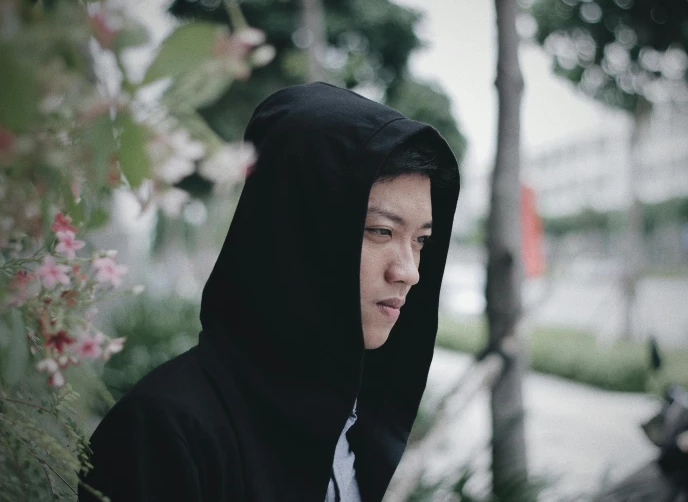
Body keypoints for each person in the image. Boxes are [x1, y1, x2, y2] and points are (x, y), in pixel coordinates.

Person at [79, 82, 460, 501]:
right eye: (380, 231)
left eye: (420, 240)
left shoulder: (351, 429)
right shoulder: (162, 432)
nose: (408, 272)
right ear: (297, 233)